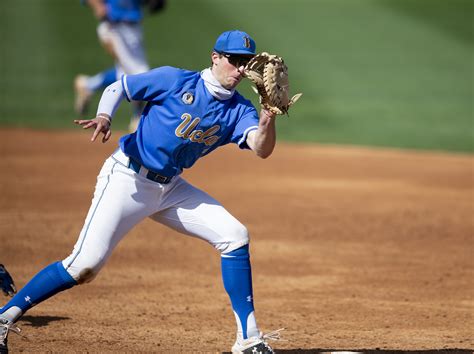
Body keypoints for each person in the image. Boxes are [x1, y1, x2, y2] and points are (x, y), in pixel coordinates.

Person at [0, 30, 284, 354]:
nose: (239, 69)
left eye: (246, 63)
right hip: (127, 179)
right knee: (83, 266)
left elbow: (262, 149)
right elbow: (118, 86)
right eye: (234, 60)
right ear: (215, 57)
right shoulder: (175, 80)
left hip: (170, 188)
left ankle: (248, 340)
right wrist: (105, 115)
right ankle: (4, 319)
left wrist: (267, 118)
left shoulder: (239, 109)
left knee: (235, 234)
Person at [74, 0, 166, 132]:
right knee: (139, 73)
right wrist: (98, 6)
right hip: (114, 27)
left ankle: (88, 85)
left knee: (125, 72)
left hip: (133, 29)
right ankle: (138, 119)